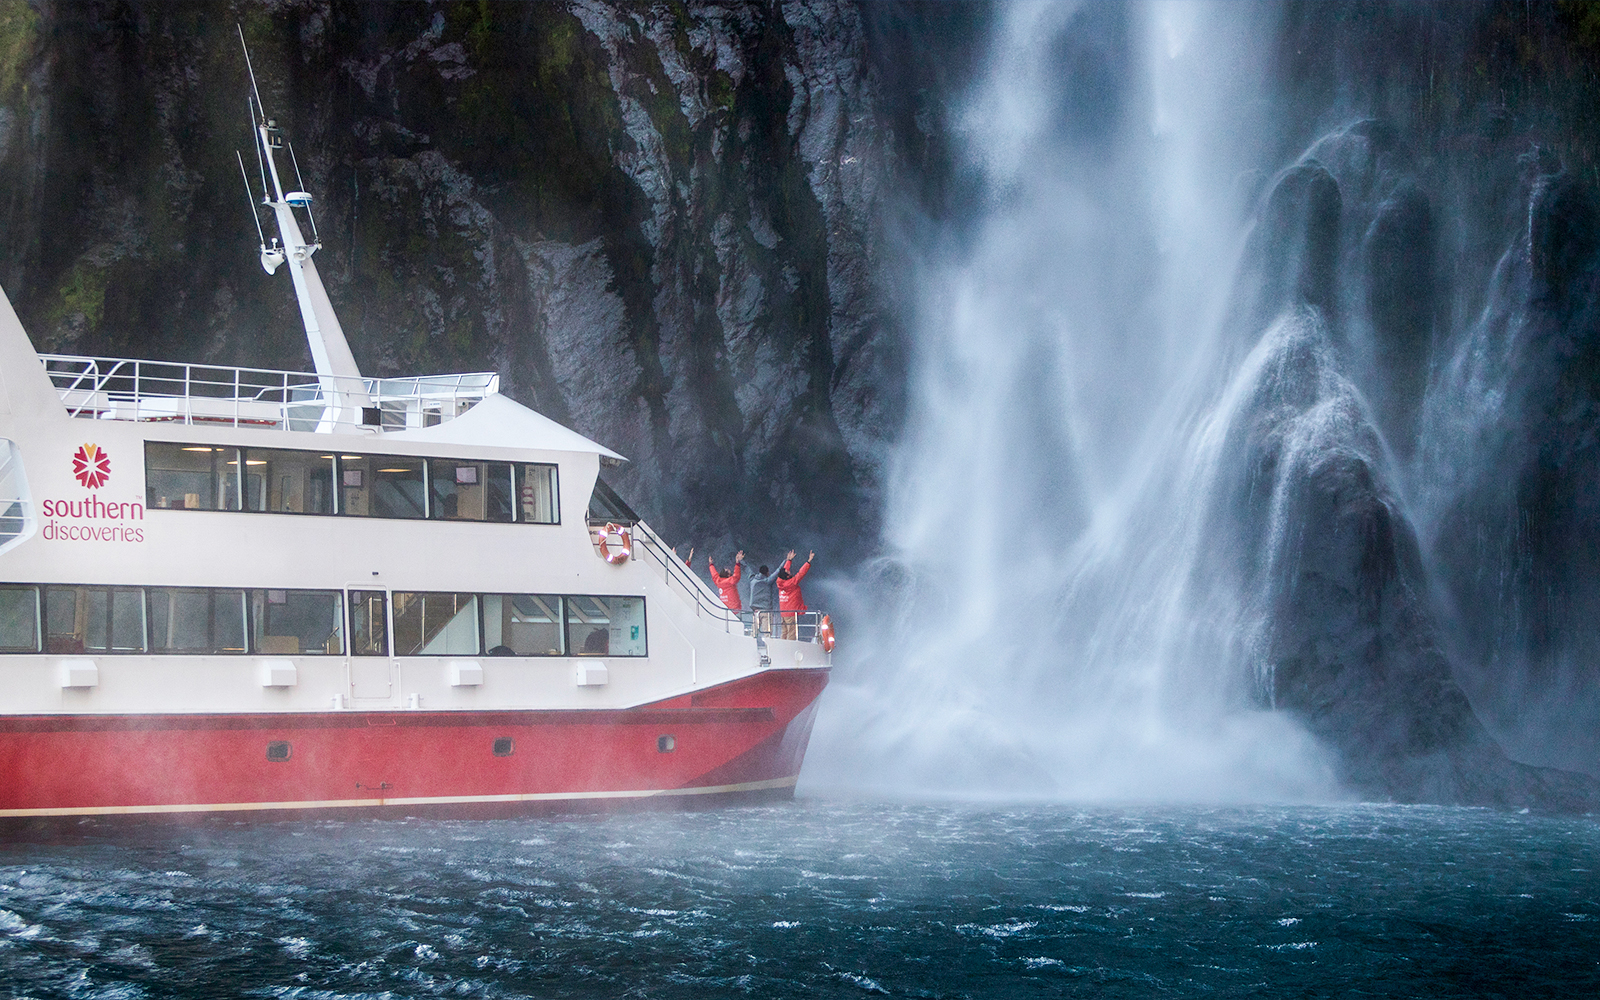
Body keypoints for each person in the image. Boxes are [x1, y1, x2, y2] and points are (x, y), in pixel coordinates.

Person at [777, 549, 813, 639]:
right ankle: (789, 650)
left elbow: (785, 571)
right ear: (787, 576)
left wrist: (789, 560)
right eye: (788, 572)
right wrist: (808, 561)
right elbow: (801, 573)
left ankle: (781, 648)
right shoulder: (791, 583)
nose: (789, 571)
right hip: (791, 612)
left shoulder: (779, 581)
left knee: (784, 632)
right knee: (791, 632)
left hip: (783, 612)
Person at [745, 560, 783, 637]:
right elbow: (778, 570)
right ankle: (768, 648)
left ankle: (751, 647)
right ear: (767, 572)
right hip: (766, 611)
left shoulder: (753, 580)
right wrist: (786, 560)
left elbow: (747, 568)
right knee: (767, 634)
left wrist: (741, 561)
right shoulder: (768, 581)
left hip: (756, 611)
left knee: (753, 634)